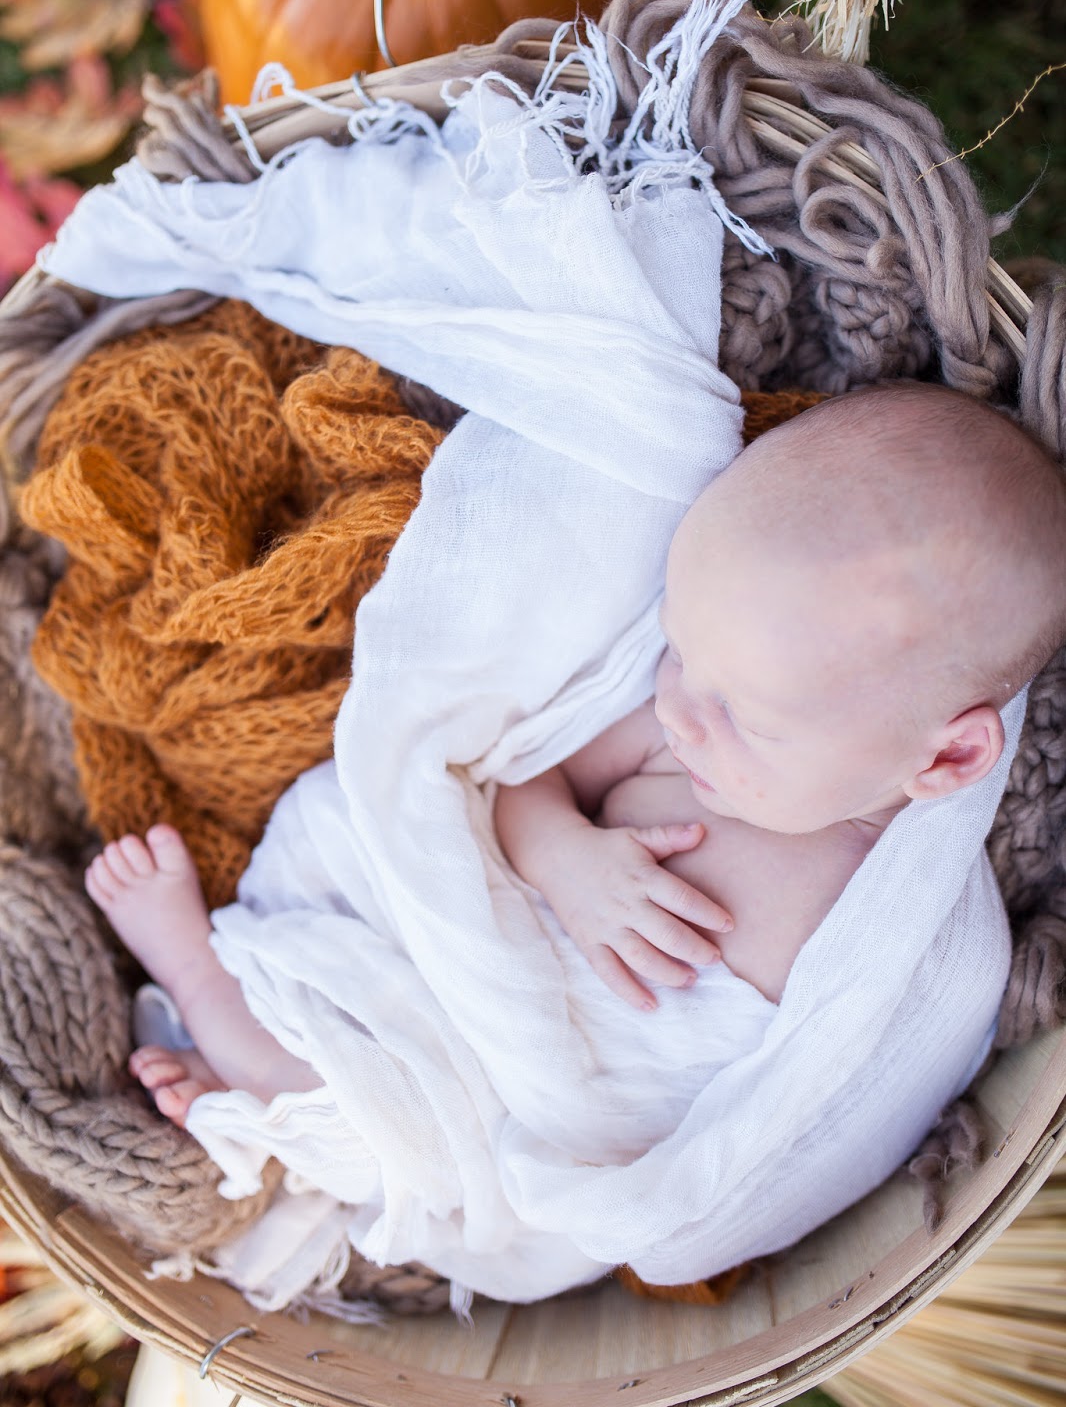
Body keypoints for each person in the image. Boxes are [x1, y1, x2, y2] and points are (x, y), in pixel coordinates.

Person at [85, 381, 1066, 1124]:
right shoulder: (675, 729)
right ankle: (201, 973)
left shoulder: (899, 929)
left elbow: (810, 1118)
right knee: (352, 1047)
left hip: (557, 1099)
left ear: (940, 763)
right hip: (460, 968)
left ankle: (240, 1059)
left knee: (399, 1128)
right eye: (681, 648)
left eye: (745, 715)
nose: (682, 708)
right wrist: (567, 858)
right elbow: (520, 787)